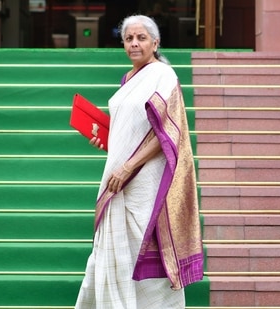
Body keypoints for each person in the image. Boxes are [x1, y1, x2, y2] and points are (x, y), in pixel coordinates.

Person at [74, 15, 203, 308]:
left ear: (155, 43)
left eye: (141, 38)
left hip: (145, 181)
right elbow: (128, 132)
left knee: (146, 250)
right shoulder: (128, 79)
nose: (134, 43)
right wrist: (105, 140)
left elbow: (169, 131)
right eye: (129, 38)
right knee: (112, 254)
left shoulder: (163, 75)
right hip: (118, 178)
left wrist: (129, 165)